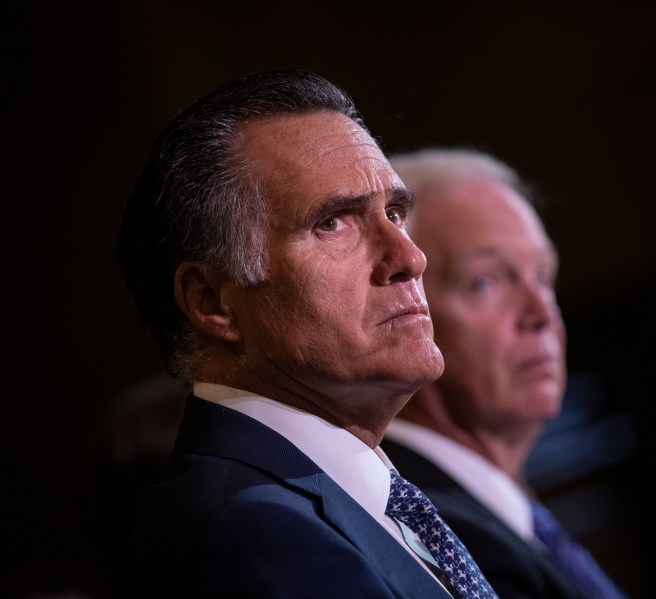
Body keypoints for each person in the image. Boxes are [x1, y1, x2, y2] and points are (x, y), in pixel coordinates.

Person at [116, 70, 498, 599]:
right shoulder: (254, 534)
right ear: (211, 303)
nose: (410, 258)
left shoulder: (341, 499)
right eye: (333, 223)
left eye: (394, 212)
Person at [382, 148, 629, 599]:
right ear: (402, 310)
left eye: (542, 276)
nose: (541, 314)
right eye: (485, 281)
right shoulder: (428, 539)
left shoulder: (513, 521)